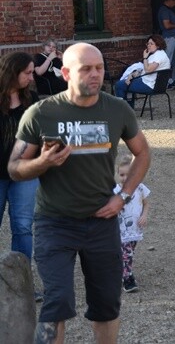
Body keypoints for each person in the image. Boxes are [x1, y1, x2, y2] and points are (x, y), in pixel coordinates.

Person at [9, 42, 151, 344]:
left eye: (99, 68)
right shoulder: (41, 113)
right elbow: (14, 168)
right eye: (86, 69)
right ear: (66, 73)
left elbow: (142, 153)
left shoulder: (117, 109)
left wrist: (123, 197)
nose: (95, 74)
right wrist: (42, 162)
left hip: (102, 222)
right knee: (56, 302)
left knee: (106, 305)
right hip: (55, 223)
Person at [0, 52, 39, 278]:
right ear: (13, 72)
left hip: (25, 173)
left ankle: (21, 282)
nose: (31, 77)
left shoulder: (32, 100)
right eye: (28, 73)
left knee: (23, 227)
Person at [114, 156, 149, 294]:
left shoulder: (140, 188)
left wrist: (144, 215)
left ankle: (119, 273)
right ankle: (128, 279)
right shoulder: (115, 191)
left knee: (129, 253)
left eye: (128, 174)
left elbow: (146, 203)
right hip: (121, 230)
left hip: (135, 229)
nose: (124, 178)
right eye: (122, 175)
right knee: (126, 254)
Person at [113, 35, 170, 107]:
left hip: (150, 85)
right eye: (148, 43)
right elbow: (143, 69)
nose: (149, 45)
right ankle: (128, 109)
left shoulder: (158, 55)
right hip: (152, 83)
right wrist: (132, 75)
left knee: (119, 85)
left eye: (151, 44)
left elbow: (148, 70)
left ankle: (123, 109)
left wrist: (145, 58)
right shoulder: (158, 54)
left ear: (158, 45)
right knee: (125, 83)